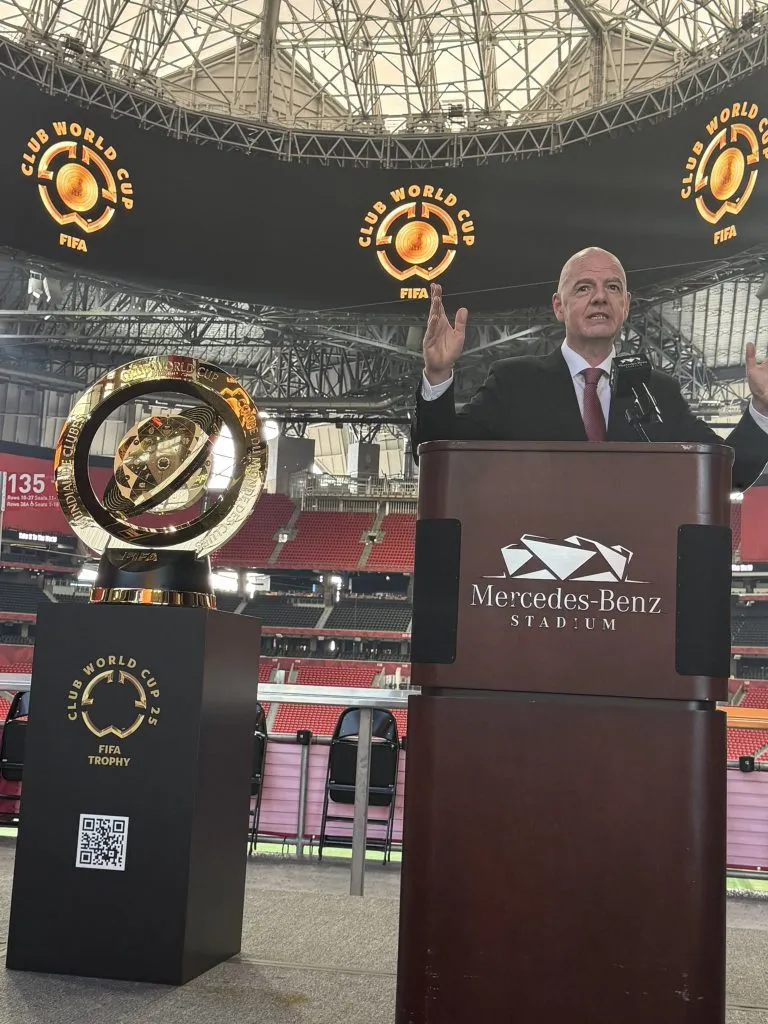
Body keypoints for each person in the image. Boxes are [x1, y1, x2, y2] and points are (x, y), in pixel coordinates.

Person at [413, 247, 768, 490]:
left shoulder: (658, 392)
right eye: (584, 288)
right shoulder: (514, 382)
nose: (600, 297)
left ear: (625, 305)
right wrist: (438, 374)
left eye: (612, 287)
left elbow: (729, 475)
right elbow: (442, 458)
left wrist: (763, 409)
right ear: (559, 306)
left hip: (632, 588)